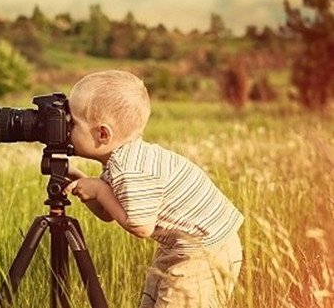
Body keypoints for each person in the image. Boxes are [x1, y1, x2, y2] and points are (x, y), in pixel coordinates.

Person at [64, 70, 244, 308]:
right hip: (187, 247)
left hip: (205, 252)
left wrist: (99, 191)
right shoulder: (123, 158)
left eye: (72, 122)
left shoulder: (130, 169)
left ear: (103, 134)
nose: (65, 127)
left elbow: (141, 226)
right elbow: (109, 212)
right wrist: (79, 178)